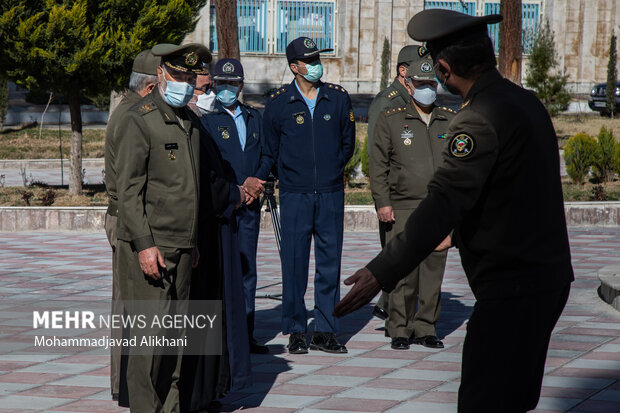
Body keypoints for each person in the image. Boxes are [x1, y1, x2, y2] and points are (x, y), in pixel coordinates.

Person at [334, 9, 573, 413]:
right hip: (546, 278)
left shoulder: (476, 119)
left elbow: (442, 201)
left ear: (443, 68)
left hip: (512, 287)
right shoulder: (525, 102)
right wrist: (459, 234)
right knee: (512, 398)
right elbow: (510, 192)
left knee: (483, 401)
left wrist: (381, 271)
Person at [115, 42, 211, 413]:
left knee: (174, 341)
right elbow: (129, 191)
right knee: (147, 344)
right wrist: (143, 245)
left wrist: (193, 239)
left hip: (183, 245)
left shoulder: (189, 121)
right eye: (178, 76)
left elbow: (187, 188)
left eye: (190, 77)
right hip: (152, 247)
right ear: (160, 75)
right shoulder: (139, 119)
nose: (185, 83)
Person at [263, 36, 355, 354]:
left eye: (318, 59)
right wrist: (290, 177)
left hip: (330, 193)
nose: (317, 65)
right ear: (294, 67)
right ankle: (296, 329)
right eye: (310, 60)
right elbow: (271, 150)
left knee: (329, 264)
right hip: (295, 195)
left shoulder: (338, 98)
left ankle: (326, 330)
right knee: (294, 264)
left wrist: (330, 172)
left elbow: (347, 144)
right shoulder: (277, 104)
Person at [369, 46, 454, 350]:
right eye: (421, 85)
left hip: (437, 208)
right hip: (402, 206)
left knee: (432, 271)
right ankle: (399, 328)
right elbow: (377, 164)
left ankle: (426, 326)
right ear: (409, 84)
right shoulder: (392, 118)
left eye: (432, 85)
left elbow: (460, 168)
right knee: (403, 271)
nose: (427, 90)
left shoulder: (449, 119)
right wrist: (383, 202)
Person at [200, 58, 274, 354]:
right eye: (221, 84)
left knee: (247, 270)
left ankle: (246, 334)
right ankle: (222, 337)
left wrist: (257, 180)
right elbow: (212, 165)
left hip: (251, 206)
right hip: (224, 205)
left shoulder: (255, 117)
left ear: (241, 85)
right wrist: (239, 187)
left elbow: (267, 154)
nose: (226, 89)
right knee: (221, 271)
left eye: (232, 84)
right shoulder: (206, 118)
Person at [103, 48, 159, 402]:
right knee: (129, 303)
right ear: (151, 86)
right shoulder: (129, 116)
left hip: (129, 214)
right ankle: (126, 385)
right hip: (126, 218)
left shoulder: (133, 110)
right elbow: (128, 184)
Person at [366, 45, 423, 322]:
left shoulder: (416, 99)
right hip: (395, 196)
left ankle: (390, 306)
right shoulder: (387, 101)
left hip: (416, 194)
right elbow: (377, 154)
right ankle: (394, 314)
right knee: (396, 254)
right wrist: (383, 199)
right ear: (403, 71)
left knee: (410, 255)